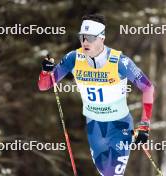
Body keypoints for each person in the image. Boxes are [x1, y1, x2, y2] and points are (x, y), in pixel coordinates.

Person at [38, 14, 154, 176]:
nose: (85, 42)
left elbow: (148, 88)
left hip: (119, 125)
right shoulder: (74, 58)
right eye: (82, 37)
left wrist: (144, 125)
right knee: (104, 171)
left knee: (112, 174)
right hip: (94, 127)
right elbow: (45, 85)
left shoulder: (119, 61)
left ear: (102, 38)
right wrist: (46, 71)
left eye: (91, 38)